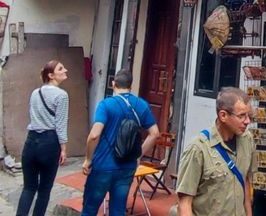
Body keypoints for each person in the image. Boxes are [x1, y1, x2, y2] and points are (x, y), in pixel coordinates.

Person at [80, 69, 159, 216]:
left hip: (102, 165)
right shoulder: (141, 105)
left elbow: (94, 135)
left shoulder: (106, 105)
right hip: (126, 167)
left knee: (89, 209)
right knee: (118, 210)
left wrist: (88, 159)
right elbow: (154, 133)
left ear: (113, 84)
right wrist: (138, 155)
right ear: (131, 85)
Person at [175, 87, 256, 216]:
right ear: (223, 115)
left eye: (248, 115)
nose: (247, 121)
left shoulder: (248, 140)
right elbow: (184, 204)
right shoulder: (198, 149)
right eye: (241, 116)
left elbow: (246, 180)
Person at [16, 60, 70, 216]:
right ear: (51, 75)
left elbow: (33, 116)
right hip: (49, 143)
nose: (65, 70)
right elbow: (60, 124)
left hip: (31, 141)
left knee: (28, 187)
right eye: (61, 68)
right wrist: (64, 148)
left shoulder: (35, 92)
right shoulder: (62, 95)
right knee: (44, 189)